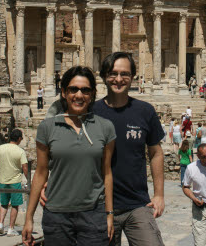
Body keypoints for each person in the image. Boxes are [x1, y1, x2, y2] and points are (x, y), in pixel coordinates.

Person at [40, 53, 166, 246]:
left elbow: (156, 153)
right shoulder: (90, 111)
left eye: (125, 73)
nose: (118, 79)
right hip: (98, 205)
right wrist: (48, 182)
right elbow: (66, 145)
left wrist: (159, 194)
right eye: (113, 73)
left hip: (137, 203)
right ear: (104, 76)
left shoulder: (145, 111)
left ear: (133, 76)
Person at [22, 66, 116, 246]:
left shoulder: (105, 127)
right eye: (73, 89)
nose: (79, 95)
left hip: (93, 213)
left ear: (92, 94)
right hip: (56, 214)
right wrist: (29, 217)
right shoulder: (47, 127)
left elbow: (107, 173)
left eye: (85, 90)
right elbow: (41, 173)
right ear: (64, 92)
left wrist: (109, 214)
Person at [0, 129, 28, 236]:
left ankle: (0, 224)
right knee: (15, 205)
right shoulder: (20, 151)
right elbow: (25, 167)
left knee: (4, 203)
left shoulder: (1, 148)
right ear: (19, 138)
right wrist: (29, 180)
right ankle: (11, 228)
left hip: (3, 180)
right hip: (15, 181)